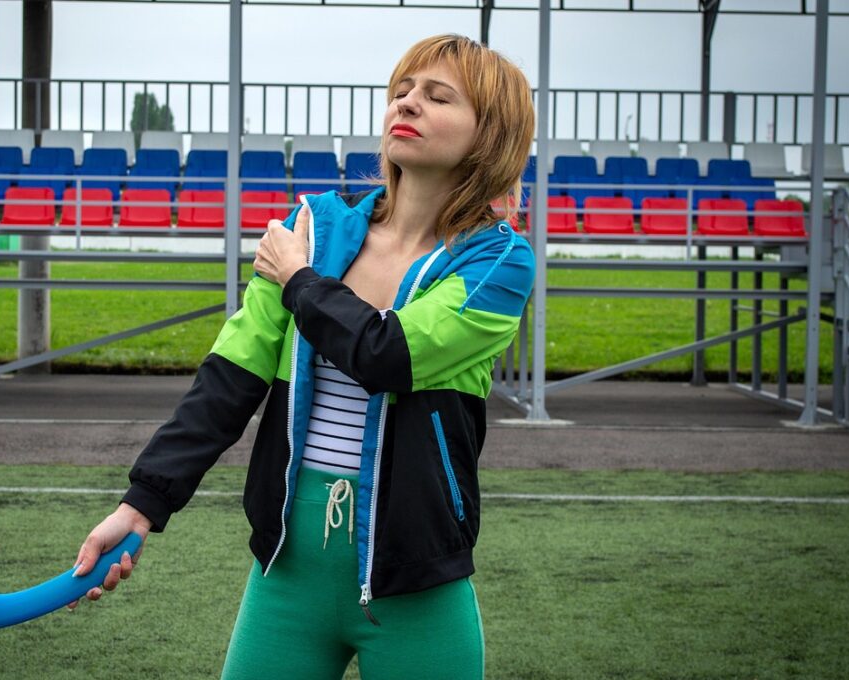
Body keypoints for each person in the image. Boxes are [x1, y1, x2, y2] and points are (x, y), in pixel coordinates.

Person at [68, 33, 536, 680]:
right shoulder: (313, 228)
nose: (407, 103)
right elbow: (230, 377)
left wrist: (298, 280)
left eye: (437, 96)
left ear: (491, 134)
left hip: (418, 585)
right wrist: (143, 503)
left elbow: (387, 354)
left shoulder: (499, 261)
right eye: (402, 90)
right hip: (286, 574)